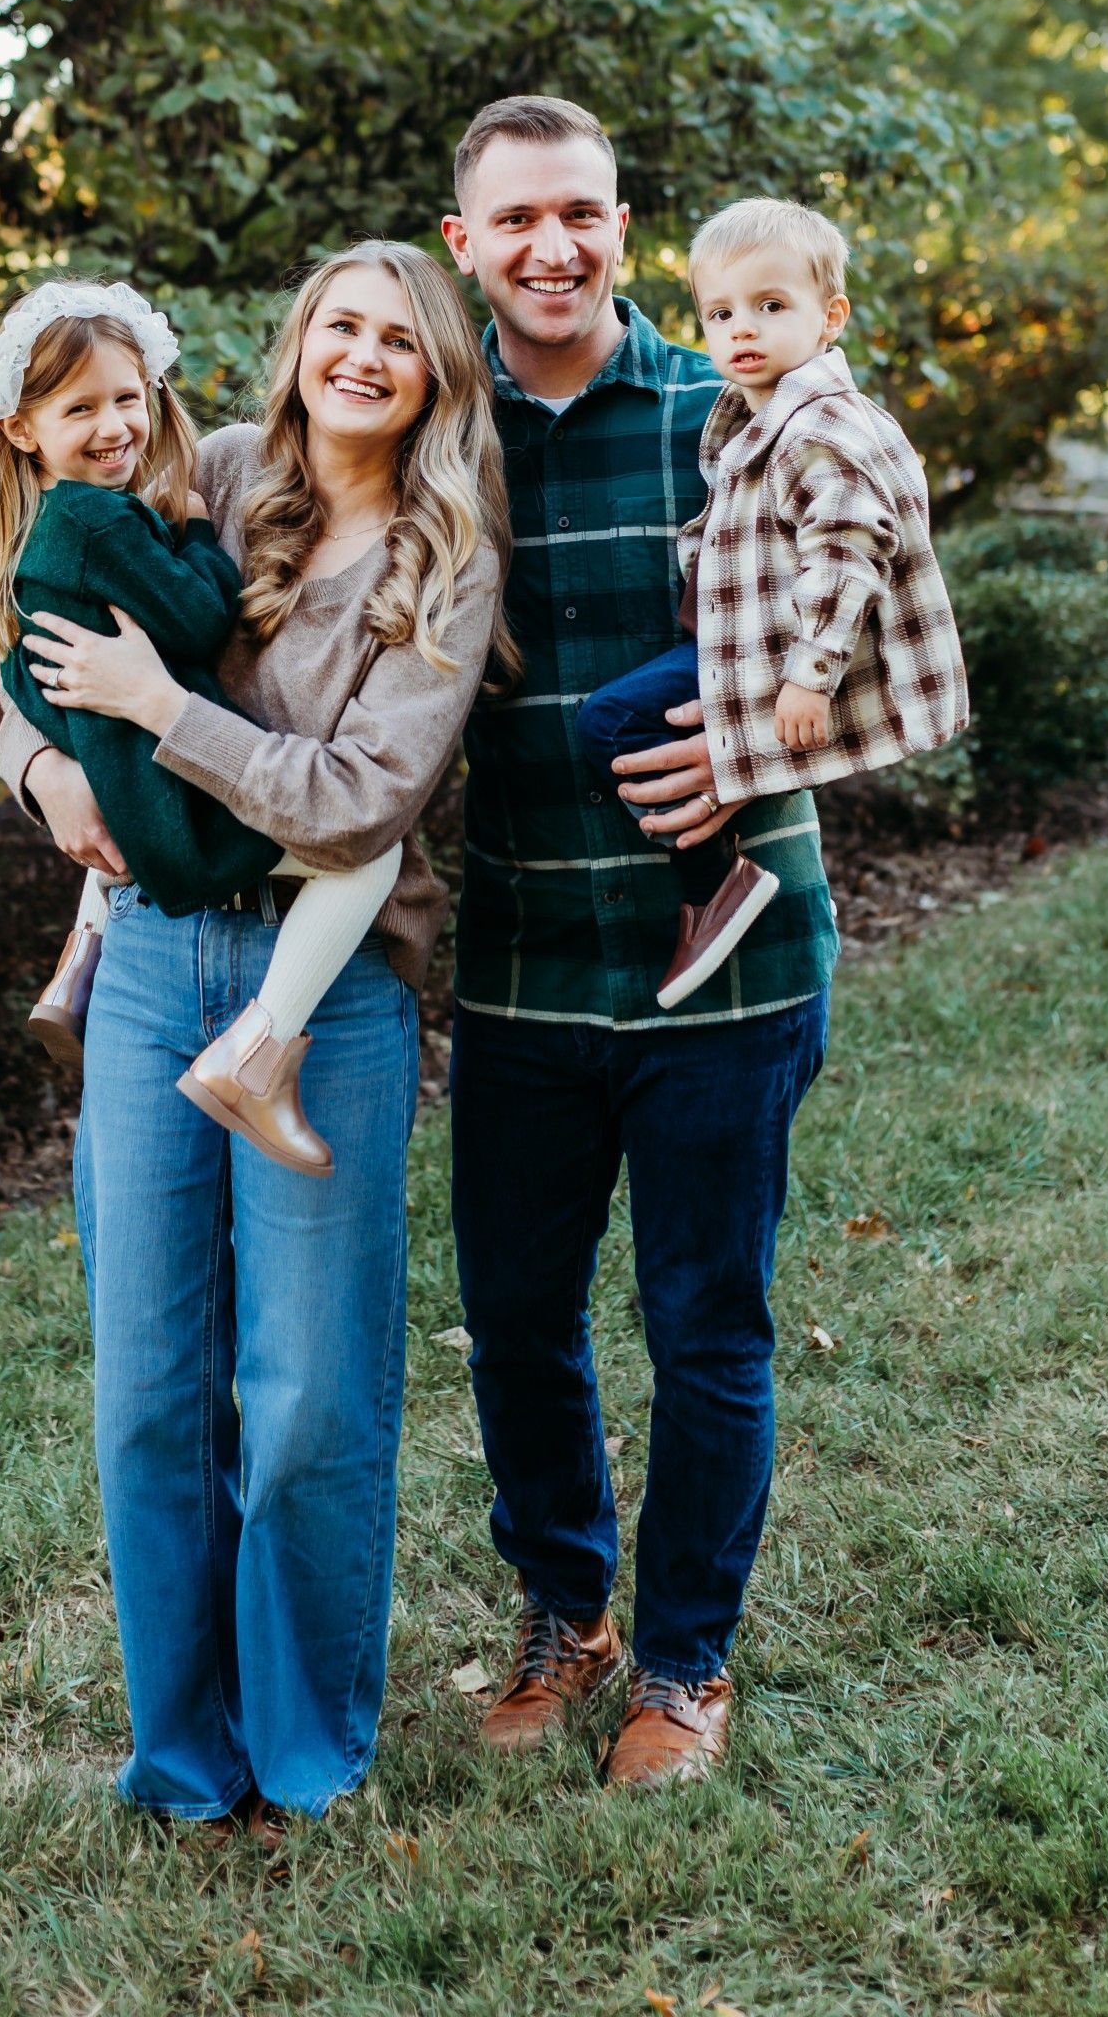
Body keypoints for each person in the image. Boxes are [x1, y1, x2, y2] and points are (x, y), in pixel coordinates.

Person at [0, 240, 511, 1826]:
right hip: (150, 965)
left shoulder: (449, 556)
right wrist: (50, 776)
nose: (361, 356)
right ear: (294, 346)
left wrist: (165, 716)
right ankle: (185, 1756)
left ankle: (306, 1750)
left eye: (397, 339)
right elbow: (30, 652)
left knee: (303, 1409)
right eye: (336, 327)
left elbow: (363, 801)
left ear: (434, 376)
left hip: (327, 995)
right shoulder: (204, 472)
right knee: (151, 1390)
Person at [439, 95, 840, 1792]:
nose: (554, 245)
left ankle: (684, 1658)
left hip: (729, 960)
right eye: (517, 217)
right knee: (519, 1318)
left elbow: (881, 614)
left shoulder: (730, 407)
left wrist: (762, 745)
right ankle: (565, 1610)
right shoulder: (430, 437)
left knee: (707, 1325)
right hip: (523, 961)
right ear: (465, 243)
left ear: (623, 220)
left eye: (583, 211)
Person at [0, 276, 400, 1172]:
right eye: (79, 408)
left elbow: (24, 666)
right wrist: (201, 537)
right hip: (162, 800)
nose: (114, 425)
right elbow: (203, 619)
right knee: (369, 852)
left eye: (128, 398)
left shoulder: (57, 525)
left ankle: (81, 952)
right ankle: (261, 1052)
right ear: (21, 429)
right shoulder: (99, 519)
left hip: (124, 784)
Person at [573, 197, 967, 1011]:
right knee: (625, 725)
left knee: (610, 722)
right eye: (720, 313)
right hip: (733, 647)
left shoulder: (817, 424)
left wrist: (809, 675)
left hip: (770, 661)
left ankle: (715, 889)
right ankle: (715, 882)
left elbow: (851, 545)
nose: (741, 329)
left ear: (831, 318)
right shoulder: (760, 415)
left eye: (770, 306)